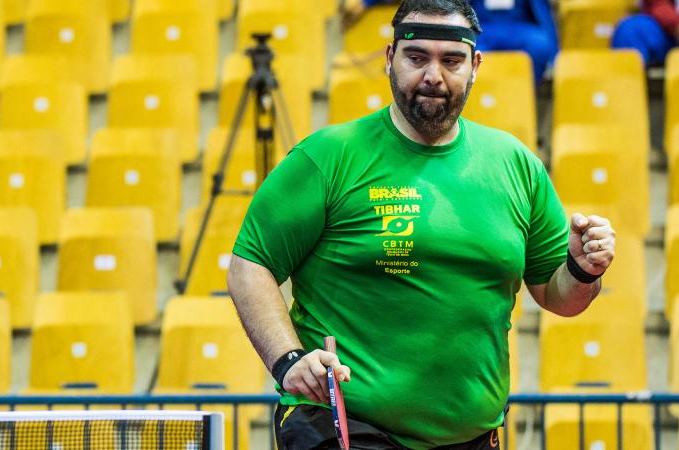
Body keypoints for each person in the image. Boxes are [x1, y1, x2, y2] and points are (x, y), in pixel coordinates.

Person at [227, 0, 616, 448]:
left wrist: (583, 268)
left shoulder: (516, 165)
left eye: (451, 60)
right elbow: (249, 265)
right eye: (417, 58)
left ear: (475, 66)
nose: (433, 75)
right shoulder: (327, 157)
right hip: (344, 425)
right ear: (390, 58)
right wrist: (287, 360)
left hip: (471, 434)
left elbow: (559, 298)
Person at [343, 0, 559, 82]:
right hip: (482, 28)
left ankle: (523, 102)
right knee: (460, 52)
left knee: (540, 45)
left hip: (521, 28)